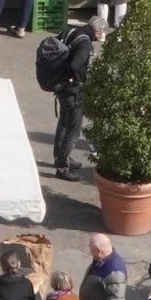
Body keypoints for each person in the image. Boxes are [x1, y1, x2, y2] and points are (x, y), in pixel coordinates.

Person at [53, 16, 106, 181]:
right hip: (72, 89)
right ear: (97, 32)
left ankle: (60, 158)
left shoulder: (71, 31)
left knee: (63, 121)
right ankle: (62, 168)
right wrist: (76, 78)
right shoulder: (85, 44)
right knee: (73, 129)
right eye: (101, 34)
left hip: (59, 86)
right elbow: (75, 65)